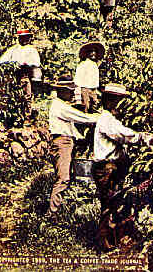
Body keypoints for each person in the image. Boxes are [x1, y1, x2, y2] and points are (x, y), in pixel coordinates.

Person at [93, 83, 153, 252]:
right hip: (107, 168)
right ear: (110, 101)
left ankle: (112, 241)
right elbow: (127, 135)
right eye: (118, 101)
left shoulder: (111, 119)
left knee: (114, 203)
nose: (121, 105)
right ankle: (105, 245)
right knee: (109, 205)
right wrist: (148, 137)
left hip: (111, 167)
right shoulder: (107, 120)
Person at [47, 76, 99, 219]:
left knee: (67, 176)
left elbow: (71, 129)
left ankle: (60, 208)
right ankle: (52, 213)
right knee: (63, 178)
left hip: (66, 141)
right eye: (69, 91)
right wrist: (101, 118)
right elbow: (82, 118)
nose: (71, 94)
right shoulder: (60, 107)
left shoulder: (62, 106)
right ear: (62, 91)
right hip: (62, 142)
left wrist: (81, 138)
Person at [0, 29, 41, 124]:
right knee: (13, 96)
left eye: (26, 37)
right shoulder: (14, 49)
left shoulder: (32, 49)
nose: (24, 39)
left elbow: (36, 62)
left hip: (24, 74)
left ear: (29, 38)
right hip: (13, 77)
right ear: (19, 38)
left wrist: (26, 63)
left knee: (26, 96)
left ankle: (27, 116)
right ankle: (13, 117)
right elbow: (3, 59)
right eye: (22, 37)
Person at [74, 41, 105, 113]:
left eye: (95, 51)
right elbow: (78, 80)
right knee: (86, 107)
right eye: (91, 51)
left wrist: (94, 91)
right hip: (85, 89)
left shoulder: (94, 65)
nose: (93, 53)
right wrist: (79, 93)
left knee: (94, 107)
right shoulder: (83, 64)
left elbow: (94, 81)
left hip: (93, 90)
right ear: (87, 53)